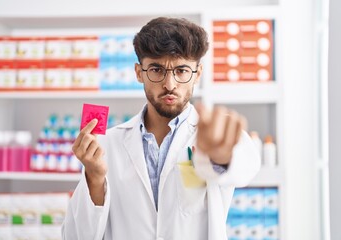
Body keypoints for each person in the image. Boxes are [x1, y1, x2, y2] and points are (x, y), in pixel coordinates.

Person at [62, 17, 260, 240]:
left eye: (182, 70)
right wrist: (95, 178)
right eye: (157, 70)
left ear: (198, 74)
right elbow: (75, 236)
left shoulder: (212, 136)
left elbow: (246, 167)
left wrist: (221, 158)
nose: (170, 84)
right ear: (139, 73)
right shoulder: (107, 144)